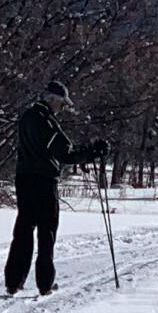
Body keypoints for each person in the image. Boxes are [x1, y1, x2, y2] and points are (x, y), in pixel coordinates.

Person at [5, 80, 92, 297]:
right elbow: (65, 153)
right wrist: (91, 152)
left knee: (24, 228)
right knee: (47, 231)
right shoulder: (46, 122)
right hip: (44, 181)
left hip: (23, 178)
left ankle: (13, 281)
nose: (62, 109)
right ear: (52, 100)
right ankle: (44, 283)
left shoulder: (26, 117)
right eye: (62, 104)